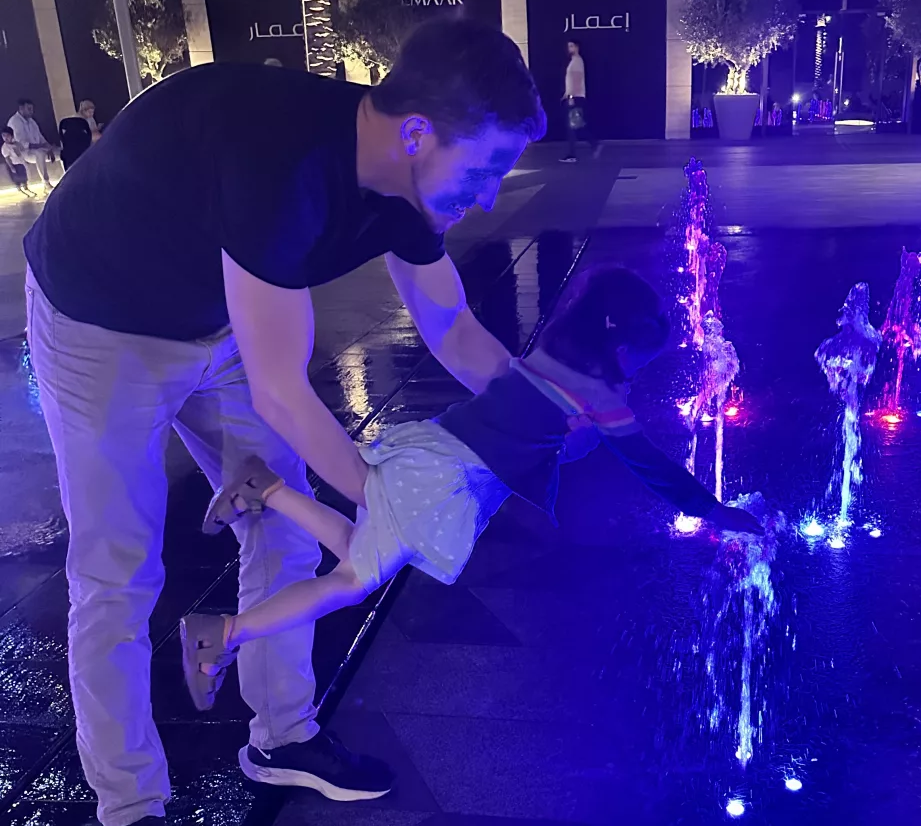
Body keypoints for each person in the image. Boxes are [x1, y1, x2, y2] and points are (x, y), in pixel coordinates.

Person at [24, 17, 544, 826]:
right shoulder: (285, 163)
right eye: (485, 166)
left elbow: (454, 330)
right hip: (100, 324)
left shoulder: (404, 189)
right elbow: (279, 389)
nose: (490, 193)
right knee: (117, 570)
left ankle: (284, 736)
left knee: (279, 529)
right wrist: (383, 500)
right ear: (418, 131)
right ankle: (133, 815)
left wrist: (544, 415)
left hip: (218, 323)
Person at [180, 266, 761, 706]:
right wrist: (715, 511)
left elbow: (541, 426)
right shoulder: (602, 396)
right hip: (449, 481)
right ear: (620, 348)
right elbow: (648, 464)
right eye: (641, 359)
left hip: (436, 451)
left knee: (359, 546)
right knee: (353, 581)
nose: (639, 371)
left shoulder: (543, 357)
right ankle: (225, 631)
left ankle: (268, 489)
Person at [11, 98, 56, 191]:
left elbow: (40, 137)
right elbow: (22, 144)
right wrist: (41, 147)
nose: (31, 111)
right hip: (24, 153)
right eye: (29, 109)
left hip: (39, 149)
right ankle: (46, 183)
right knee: (39, 153)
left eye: (32, 109)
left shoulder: (32, 121)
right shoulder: (14, 122)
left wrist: (49, 147)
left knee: (60, 152)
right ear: (21, 108)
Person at [561, 38, 592, 163]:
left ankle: (572, 154)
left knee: (572, 126)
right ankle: (594, 143)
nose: (570, 49)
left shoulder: (577, 62)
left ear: (577, 47)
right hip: (574, 96)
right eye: (569, 46)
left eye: (572, 46)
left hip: (576, 97)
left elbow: (577, 80)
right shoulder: (574, 61)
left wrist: (571, 97)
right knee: (576, 125)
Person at [2, 126, 33, 196]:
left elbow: (22, 151)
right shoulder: (5, 147)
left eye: (8, 136)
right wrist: (11, 167)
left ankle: (26, 187)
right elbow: (7, 158)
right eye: (4, 136)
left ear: (12, 136)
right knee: (17, 178)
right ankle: (19, 188)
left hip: (21, 163)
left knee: (24, 177)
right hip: (14, 165)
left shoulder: (17, 144)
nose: (6, 138)